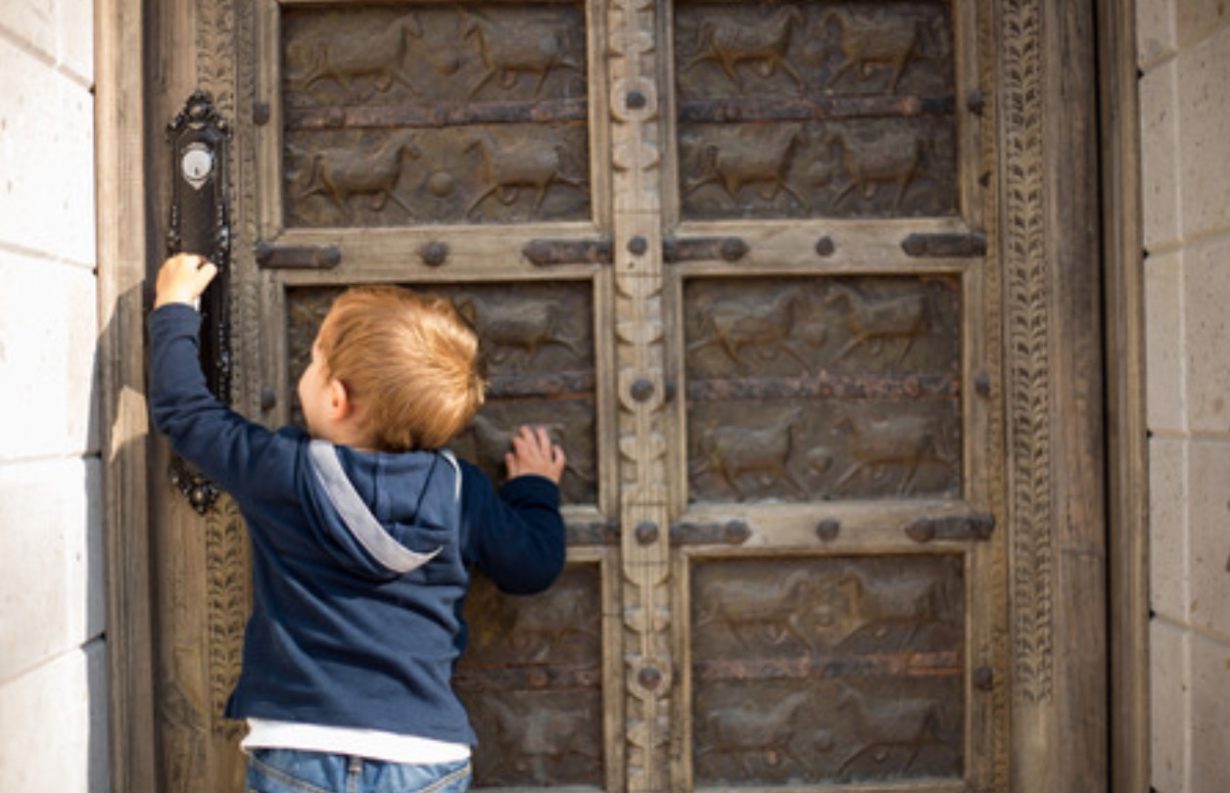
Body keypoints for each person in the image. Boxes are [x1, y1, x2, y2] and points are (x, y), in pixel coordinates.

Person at [148, 253, 567, 793]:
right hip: (423, 757)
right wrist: (535, 489)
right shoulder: (461, 491)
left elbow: (186, 414)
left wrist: (175, 307)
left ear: (336, 397)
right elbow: (531, 566)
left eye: (314, 360)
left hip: (298, 747)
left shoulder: (283, 472)